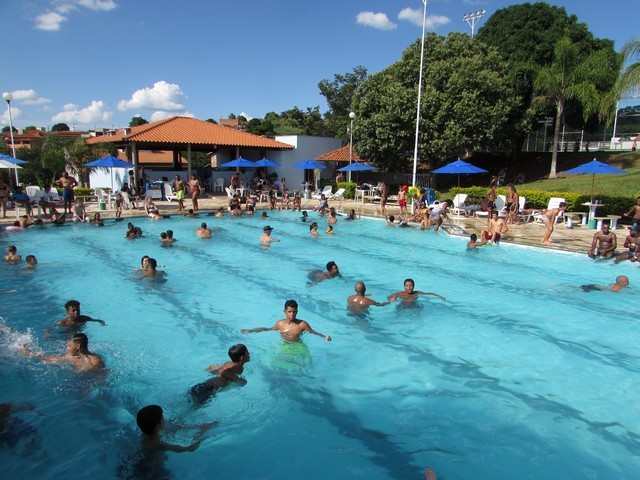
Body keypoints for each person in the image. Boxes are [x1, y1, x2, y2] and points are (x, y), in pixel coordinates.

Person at [241, 299, 331, 342]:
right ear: (284, 312)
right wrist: (251, 330)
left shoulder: (302, 324)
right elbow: (267, 329)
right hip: (284, 345)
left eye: (294, 312)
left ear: (297, 312)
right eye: (289, 312)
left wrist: (324, 337)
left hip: (298, 346)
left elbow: (313, 332)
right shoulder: (280, 324)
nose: (292, 314)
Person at [135, 404, 213, 453]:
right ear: (159, 424)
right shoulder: (155, 444)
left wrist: (196, 426)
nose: (164, 418)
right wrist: (202, 431)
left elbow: (175, 425)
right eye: (162, 417)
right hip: (152, 469)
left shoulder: (148, 429)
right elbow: (190, 448)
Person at [21, 333, 105, 372]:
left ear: (78, 346)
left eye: (69, 346)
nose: (67, 348)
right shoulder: (71, 356)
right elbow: (50, 359)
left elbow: (100, 375)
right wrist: (30, 353)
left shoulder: (95, 360)